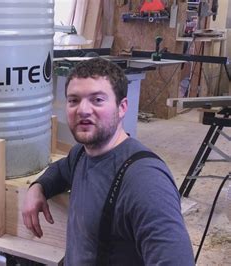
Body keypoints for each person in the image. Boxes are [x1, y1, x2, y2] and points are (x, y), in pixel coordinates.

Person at [21, 58, 194, 265]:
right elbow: (60, 170)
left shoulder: (145, 181)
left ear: (122, 108)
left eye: (97, 100)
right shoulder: (81, 155)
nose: (83, 110)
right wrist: (37, 188)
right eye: (73, 100)